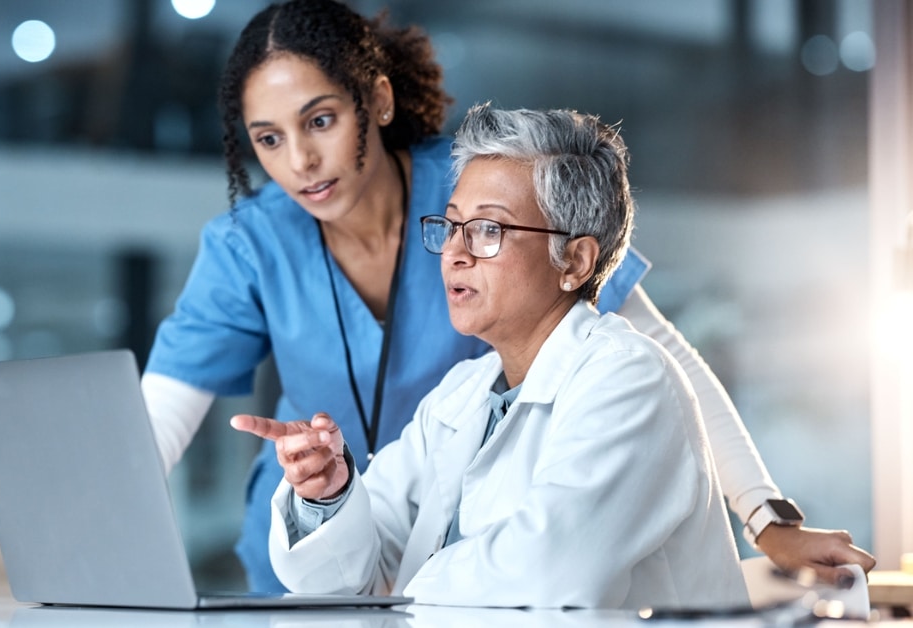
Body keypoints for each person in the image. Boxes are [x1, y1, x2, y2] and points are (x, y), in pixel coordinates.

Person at [142, 0, 875, 592]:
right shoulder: (259, 247)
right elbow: (152, 433)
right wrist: (326, 493)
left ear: (378, 101)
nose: (299, 161)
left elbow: (664, 357)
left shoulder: (483, 190)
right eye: (267, 139)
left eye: (321, 121)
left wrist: (764, 514)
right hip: (356, 555)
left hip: (460, 576)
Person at [231, 104, 750, 608]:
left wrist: (402, 590)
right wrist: (329, 496)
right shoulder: (464, 392)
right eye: (452, 225)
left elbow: (550, 571)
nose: (455, 252)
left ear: (574, 260)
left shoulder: (630, 379)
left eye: (488, 230)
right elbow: (354, 570)